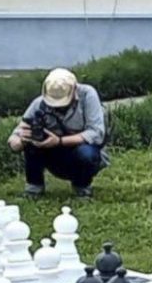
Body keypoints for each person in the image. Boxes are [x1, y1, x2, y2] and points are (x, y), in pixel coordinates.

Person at [10, 67, 106, 198]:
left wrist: (59, 141)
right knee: (32, 143)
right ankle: (34, 188)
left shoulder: (88, 95)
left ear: (74, 89)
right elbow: (15, 136)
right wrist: (21, 141)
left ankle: (82, 187)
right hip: (53, 155)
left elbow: (96, 133)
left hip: (80, 151)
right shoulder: (39, 104)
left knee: (86, 154)